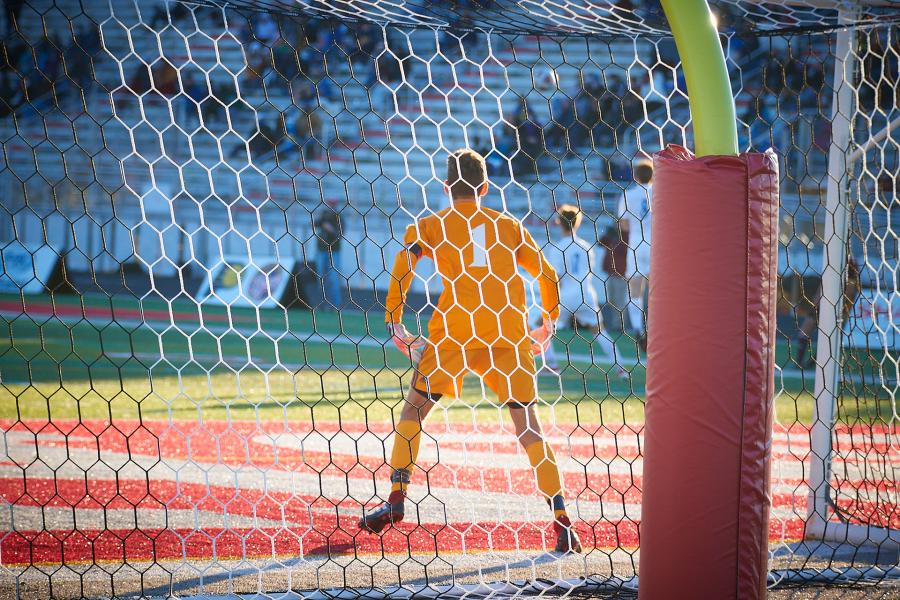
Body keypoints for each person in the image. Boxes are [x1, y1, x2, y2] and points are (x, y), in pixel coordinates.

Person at [359, 149, 582, 553]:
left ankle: (395, 497)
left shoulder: (430, 225)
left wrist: (394, 317)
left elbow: (403, 264)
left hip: (456, 331)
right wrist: (548, 320)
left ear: (446, 188)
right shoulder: (508, 225)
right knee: (528, 426)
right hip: (508, 332)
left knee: (413, 410)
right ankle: (563, 520)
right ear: (484, 187)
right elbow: (547, 273)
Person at [541, 205, 627, 379]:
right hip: (586, 294)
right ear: (577, 223)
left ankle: (552, 365)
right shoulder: (586, 246)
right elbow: (589, 271)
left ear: (559, 223)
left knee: (541, 328)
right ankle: (621, 369)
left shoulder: (557, 247)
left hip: (565, 296)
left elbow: (556, 276)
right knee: (600, 332)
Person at [617, 156, 653, 349]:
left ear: (636, 176)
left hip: (637, 245)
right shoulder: (660, 192)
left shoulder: (627, 195)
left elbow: (623, 224)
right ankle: (658, 327)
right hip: (657, 245)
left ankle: (639, 330)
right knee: (658, 291)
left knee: (635, 292)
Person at [314, 204, 343, 308]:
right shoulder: (323, 216)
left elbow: (341, 234)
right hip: (321, 251)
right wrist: (322, 219)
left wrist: (331, 229)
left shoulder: (339, 217)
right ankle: (322, 303)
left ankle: (336, 305)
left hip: (334, 251)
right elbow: (314, 224)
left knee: (333, 278)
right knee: (320, 277)